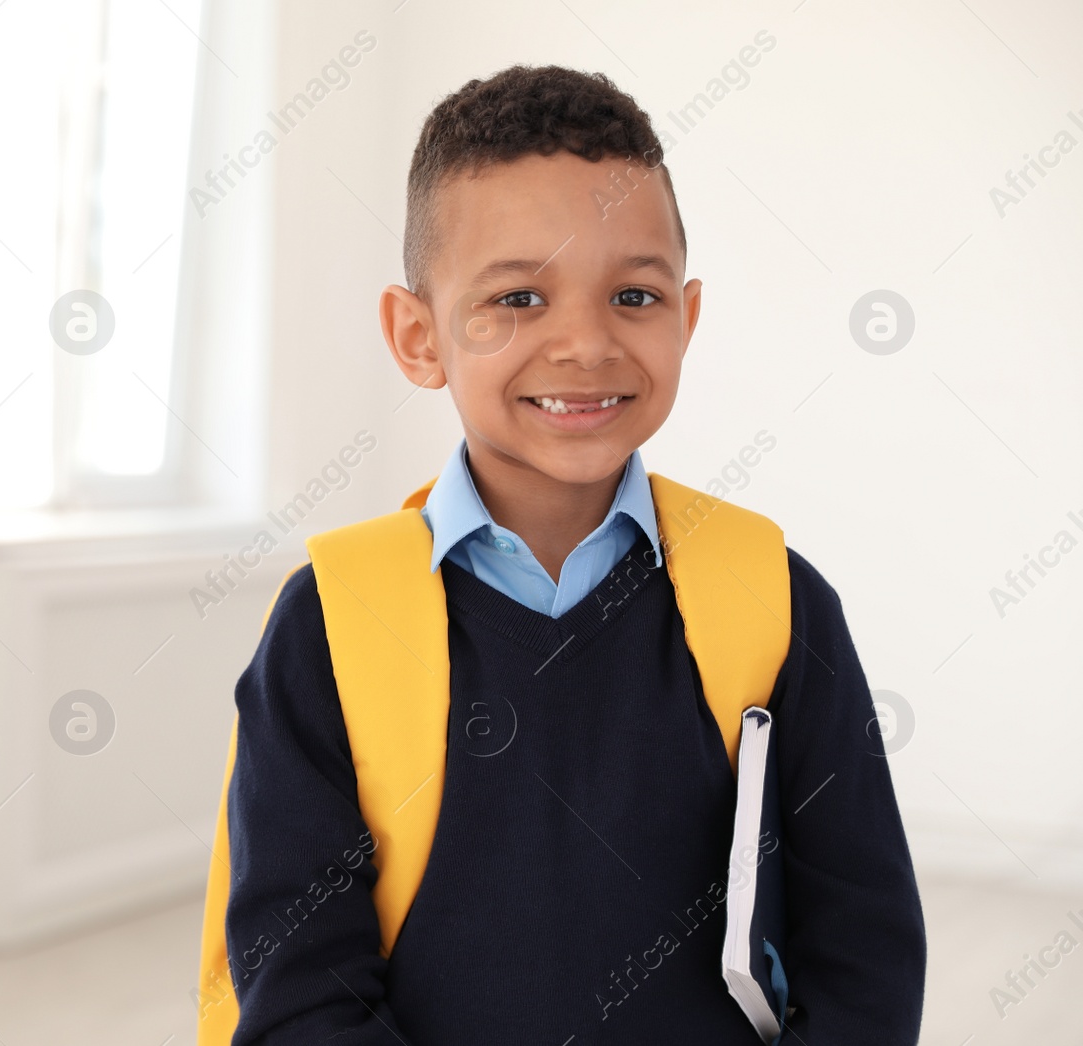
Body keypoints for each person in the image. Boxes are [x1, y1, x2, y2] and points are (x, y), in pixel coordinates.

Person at [216, 64, 927, 1044]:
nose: (586, 342)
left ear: (687, 316)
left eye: (634, 293)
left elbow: (865, 948)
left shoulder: (773, 598)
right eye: (517, 298)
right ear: (417, 336)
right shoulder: (331, 617)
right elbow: (299, 983)